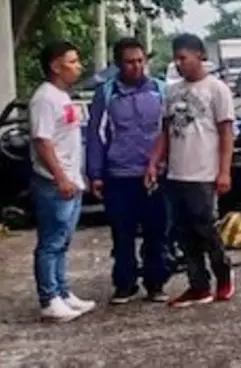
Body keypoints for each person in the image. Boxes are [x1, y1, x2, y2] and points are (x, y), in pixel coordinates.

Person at [146, 34, 236, 308]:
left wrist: (224, 171)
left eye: (184, 57)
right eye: (177, 58)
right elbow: (165, 131)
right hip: (176, 173)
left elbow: (226, 133)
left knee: (205, 228)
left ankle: (223, 274)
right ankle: (198, 286)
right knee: (183, 233)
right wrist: (154, 161)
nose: (180, 63)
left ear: (200, 56)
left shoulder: (216, 90)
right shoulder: (172, 92)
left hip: (203, 173)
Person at [85, 37, 170, 305]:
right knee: (122, 234)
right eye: (129, 62)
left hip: (155, 175)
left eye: (140, 61)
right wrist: (95, 174)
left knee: (157, 233)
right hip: (118, 176)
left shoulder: (161, 90)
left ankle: (156, 284)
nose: (135, 67)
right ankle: (125, 284)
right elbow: (95, 135)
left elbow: (169, 131)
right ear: (118, 64)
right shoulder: (106, 94)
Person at [29, 40, 96, 322]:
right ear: (55, 66)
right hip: (54, 183)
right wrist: (61, 178)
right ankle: (49, 299)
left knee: (63, 241)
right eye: (72, 61)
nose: (78, 66)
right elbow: (43, 143)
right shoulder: (44, 98)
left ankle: (62, 292)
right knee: (51, 242)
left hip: (71, 180)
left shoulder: (63, 96)